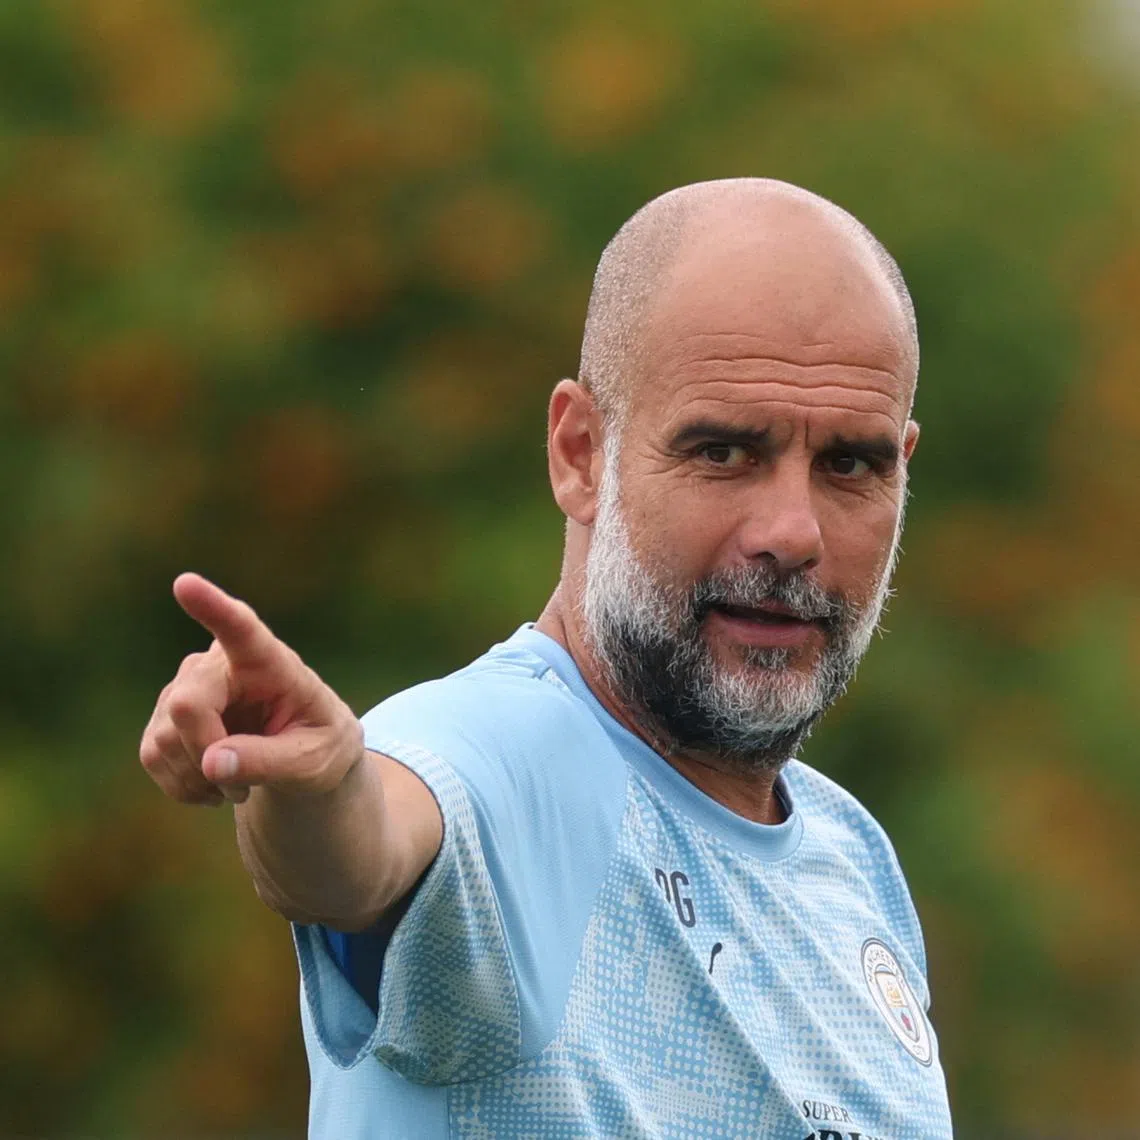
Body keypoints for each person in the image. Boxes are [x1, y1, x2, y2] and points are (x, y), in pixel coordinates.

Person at [140, 178, 954, 1138]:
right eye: (725, 451)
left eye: (850, 465)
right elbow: (362, 850)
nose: (792, 532)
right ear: (581, 454)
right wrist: (311, 790)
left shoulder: (851, 858)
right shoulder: (503, 756)